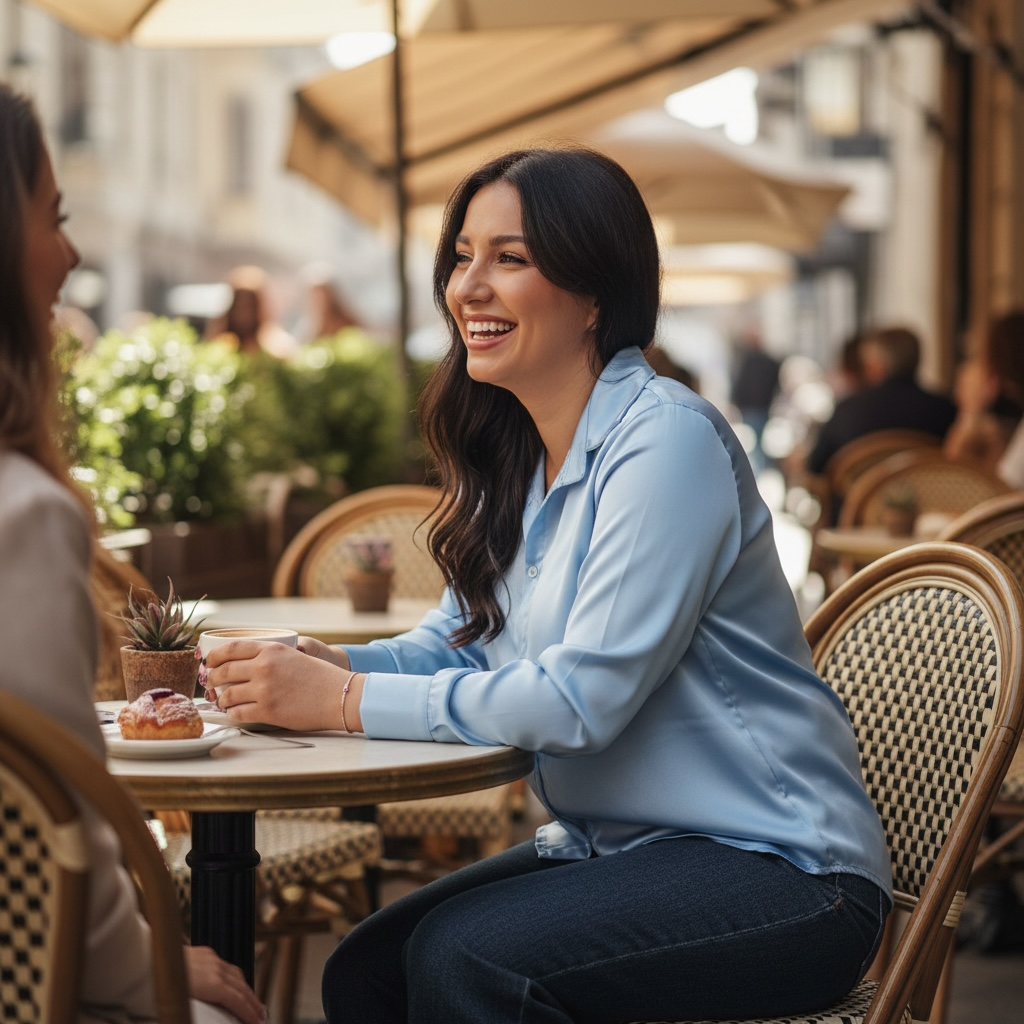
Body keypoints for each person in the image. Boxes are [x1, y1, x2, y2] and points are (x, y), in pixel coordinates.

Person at [205, 147, 892, 1024]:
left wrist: (341, 699)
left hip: (783, 872)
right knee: (366, 969)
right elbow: (452, 639)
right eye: (462, 256)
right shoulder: (518, 457)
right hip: (622, 848)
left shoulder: (666, 440)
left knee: (469, 962)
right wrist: (318, 664)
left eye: (511, 258)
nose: (469, 287)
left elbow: (579, 704)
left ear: (596, 293)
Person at [0, 82, 265, 1024]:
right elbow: (51, 833)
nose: (69, 253)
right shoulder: (22, 515)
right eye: (52, 217)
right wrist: (156, 962)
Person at [805, 324, 957, 476]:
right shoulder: (946, 409)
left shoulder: (847, 411)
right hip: (933, 498)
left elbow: (815, 467)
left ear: (875, 367)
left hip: (859, 499)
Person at [945, 311, 1024, 489]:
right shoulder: (1000, 421)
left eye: (977, 356)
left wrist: (970, 413)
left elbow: (951, 485)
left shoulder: (994, 431)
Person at [206, 264, 296, 357]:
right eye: (239, 306)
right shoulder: (220, 345)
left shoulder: (276, 347)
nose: (243, 314)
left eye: (249, 307)